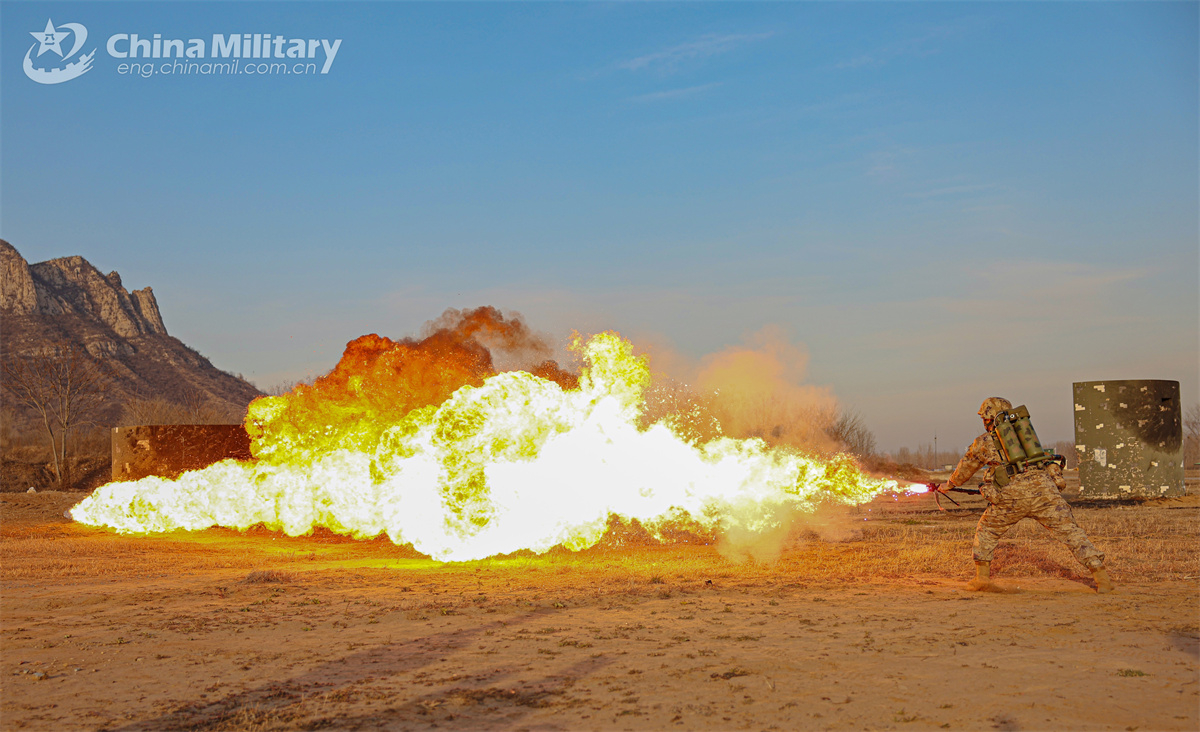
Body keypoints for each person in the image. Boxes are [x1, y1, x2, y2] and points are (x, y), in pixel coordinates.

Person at [938, 397, 1113, 594]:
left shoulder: (984, 442)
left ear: (989, 418)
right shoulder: (1028, 440)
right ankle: (1102, 579)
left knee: (986, 531)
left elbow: (966, 467)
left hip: (1011, 498)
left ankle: (981, 579)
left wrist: (948, 485)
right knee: (1072, 534)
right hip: (1046, 494)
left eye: (984, 418)